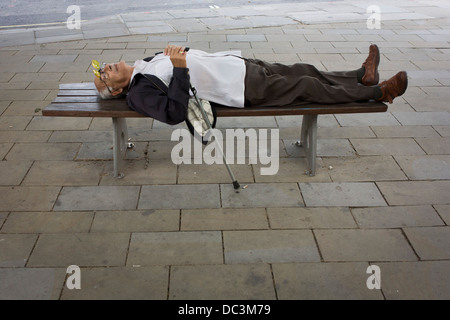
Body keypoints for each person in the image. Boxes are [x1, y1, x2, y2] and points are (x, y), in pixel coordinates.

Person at [93, 44, 407, 125]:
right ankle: (378, 92)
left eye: (102, 65)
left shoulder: (142, 64)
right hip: (241, 89)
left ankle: (359, 75)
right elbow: (175, 112)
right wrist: (178, 69)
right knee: (308, 87)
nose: (106, 66)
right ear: (117, 90)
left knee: (303, 69)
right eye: (103, 74)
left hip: (240, 66)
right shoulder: (139, 93)